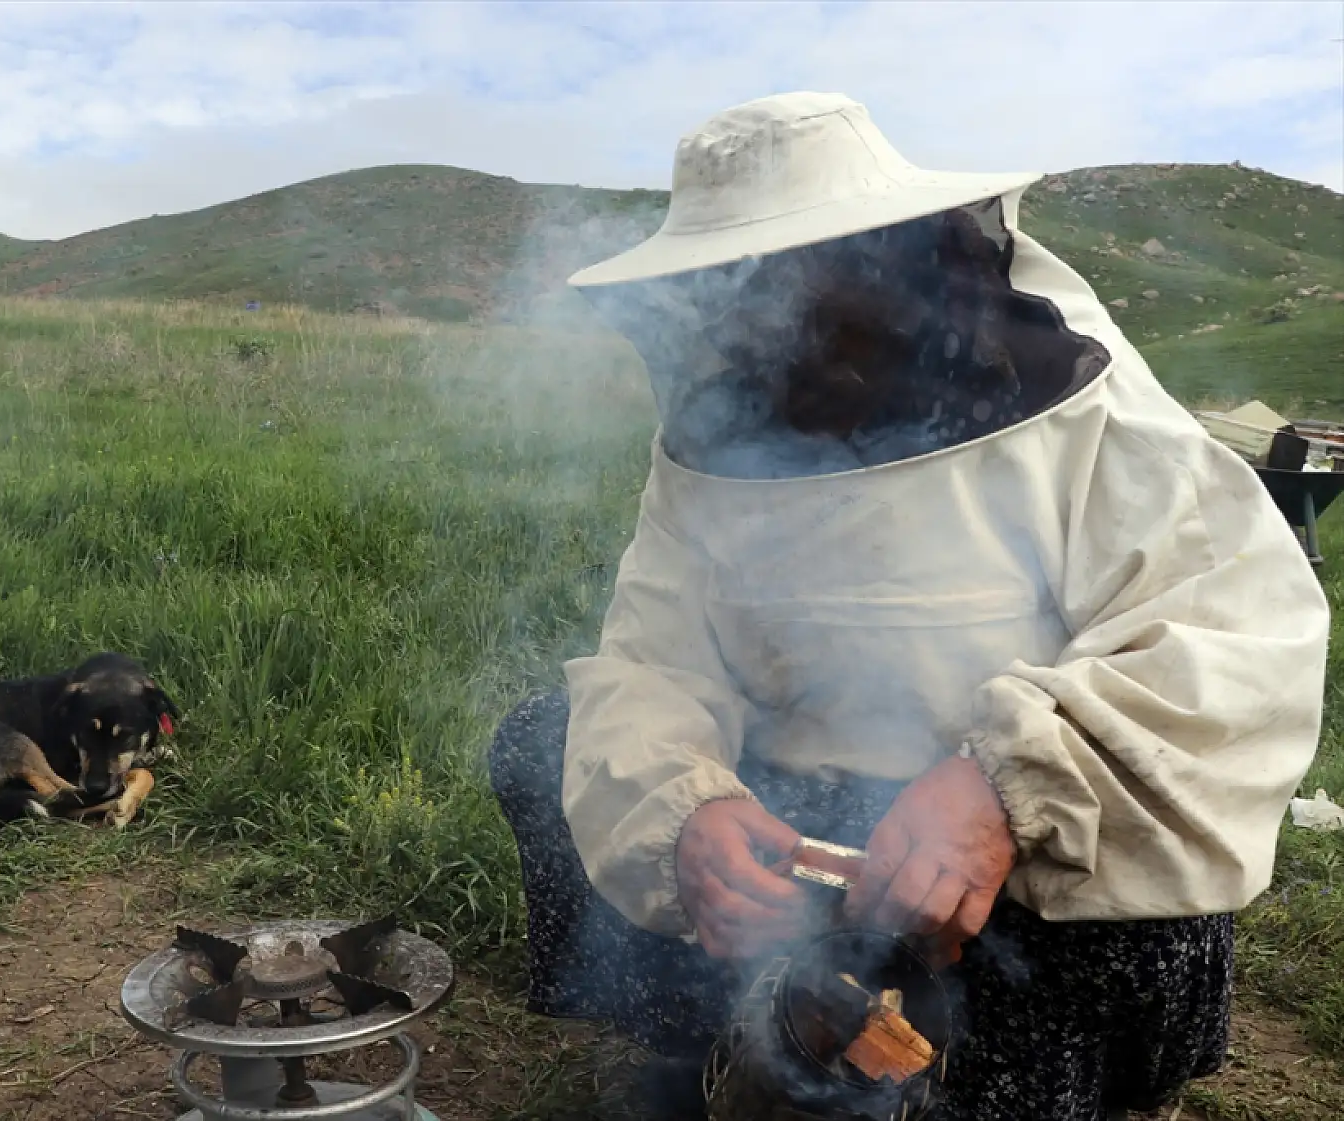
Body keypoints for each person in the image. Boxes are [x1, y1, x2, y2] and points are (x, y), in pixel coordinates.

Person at [487, 92, 1330, 1121]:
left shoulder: (1078, 408)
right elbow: (651, 662)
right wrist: (689, 812)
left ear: (904, 258)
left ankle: (1068, 1083)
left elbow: (1228, 637)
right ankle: (685, 1035)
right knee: (542, 736)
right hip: (802, 824)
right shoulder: (716, 440)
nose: (770, 317)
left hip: (1010, 850)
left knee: (1091, 942)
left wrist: (1003, 784)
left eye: (806, 275)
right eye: (741, 286)